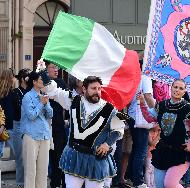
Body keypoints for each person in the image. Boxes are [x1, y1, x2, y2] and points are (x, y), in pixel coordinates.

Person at [37, 60, 126, 188]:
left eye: (99, 88)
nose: (97, 91)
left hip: (96, 160)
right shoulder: (73, 100)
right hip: (75, 156)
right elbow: (53, 91)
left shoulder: (110, 108)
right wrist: (42, 70)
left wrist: (107, 144)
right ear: (84, 89)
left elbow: (119, 129)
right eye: (93, 88)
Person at [139, 79, 190, 188]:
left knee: (170, 184)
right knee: (161, 185)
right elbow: (149, 118)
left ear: (184, 92)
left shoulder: (188, 109)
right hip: (163, 151)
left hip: (180, 152)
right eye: (175, 87)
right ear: (170, 88)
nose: (177, 90)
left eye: (181, 88)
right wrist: (143, 103)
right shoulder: (162, 105)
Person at [21, 71, 53, 188]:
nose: (43, 81)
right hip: (31, 135)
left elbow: (50, 115)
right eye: (40, 79)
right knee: (31, 171)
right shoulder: (27, 97)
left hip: (44, 135)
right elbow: (31, 116)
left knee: (43, 171)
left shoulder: (43, 95)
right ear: (34, 82)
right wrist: (40, 103)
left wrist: (46, 103)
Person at [128, 73, 155, 188]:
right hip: (141, 117)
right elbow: (148, 96)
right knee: (141, 150)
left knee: (136, 149)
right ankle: (138, 181)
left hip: (132, 115)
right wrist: (157, 109)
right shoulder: (146, 77)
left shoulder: (134, 76)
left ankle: (131, 177)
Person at [46, 62, 68, 188]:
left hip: (58, 125)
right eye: (53, 67)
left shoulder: (61, 82)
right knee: (50, 158)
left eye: (57, 67)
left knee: (60, 156)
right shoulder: (41, 83)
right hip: (45, 125)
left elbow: (67, 101)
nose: (56, 70)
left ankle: (62, 183)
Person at [11, 68, 31, 187]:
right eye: (29, 77)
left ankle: (29, 182)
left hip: (30, 125)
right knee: (20, 156)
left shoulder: (32, 92)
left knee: (30, 156)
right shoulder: (15, 92)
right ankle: (20, 183)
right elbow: (19, 110)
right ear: (23, 79)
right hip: (18, 125)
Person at [0, 69, 16, 158]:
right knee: (18, 153)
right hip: (9, 126)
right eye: (13, 77)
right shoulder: (11, 93)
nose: (15, 79)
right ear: (10, 78)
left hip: (1, 125)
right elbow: (9, 112)